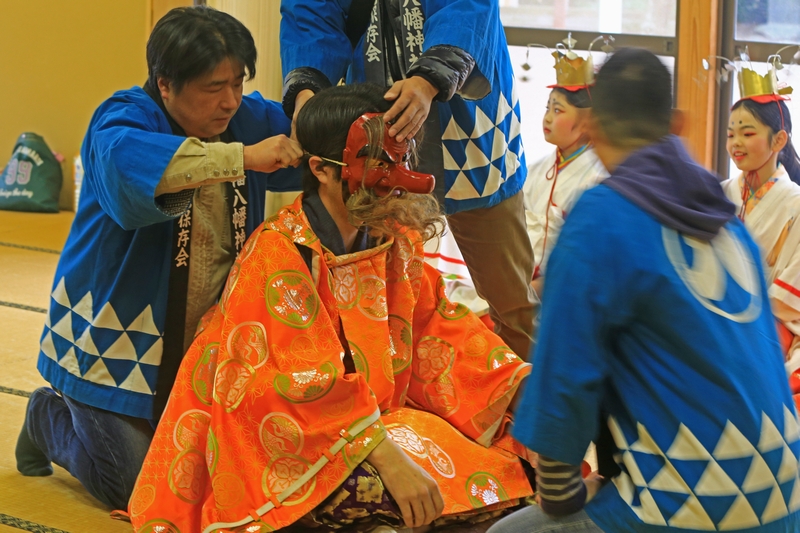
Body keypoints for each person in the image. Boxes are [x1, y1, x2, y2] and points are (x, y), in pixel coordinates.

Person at [128, 83, 536, 533]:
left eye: (401, 159)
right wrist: (382, 452)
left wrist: (518, 385)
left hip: (377, 423)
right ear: (322, 169)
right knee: (379, 490)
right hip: (285, 435)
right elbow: (286, 387)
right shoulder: (280, 254)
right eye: (377, 163)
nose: (397, 177)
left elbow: (439, 331)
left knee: (526, 450)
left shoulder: (394, 237)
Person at [489, 48, 800, 533]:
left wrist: (566, 495)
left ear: (592, 127)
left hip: (690, 506)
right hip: (785, 497)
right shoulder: (726, 219)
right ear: (676, 125)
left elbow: (563, 385)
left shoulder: (602, 216)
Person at [15, 6, 303, 511]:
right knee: (144, 492)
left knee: (242, 474)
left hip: (206, 344)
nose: (231, 100)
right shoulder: (121, 119)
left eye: (238, 83)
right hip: (115, 342)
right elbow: (135, 168)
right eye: (214, 87)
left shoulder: (242, 116)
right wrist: (243, 157)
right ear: (165, 84)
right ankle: (47, 420)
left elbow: (307, 133)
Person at [279, 0, 537, 360]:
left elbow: (467, 7)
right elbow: (309, 12)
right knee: (377, 291)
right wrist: (306, 89)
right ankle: (385, 397)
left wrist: (432, 76)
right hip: (373, 126)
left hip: (468, 121)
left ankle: (533, 405)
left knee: (511, 301)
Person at [720, 70, 800, 399]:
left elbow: (789, 296)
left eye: (747, 133)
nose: (735, 143)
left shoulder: (795, 203)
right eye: (730, 134)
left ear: (779, 140)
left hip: (774, 328)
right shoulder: (721, 194)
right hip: (720, 320)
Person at [523, 45, 608, 298]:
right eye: (547, 108)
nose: (547, 118)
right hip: (524, 282)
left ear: (586, 123)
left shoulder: (598, 179)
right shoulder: (535, 171)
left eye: (557, 110)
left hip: (569, 290)